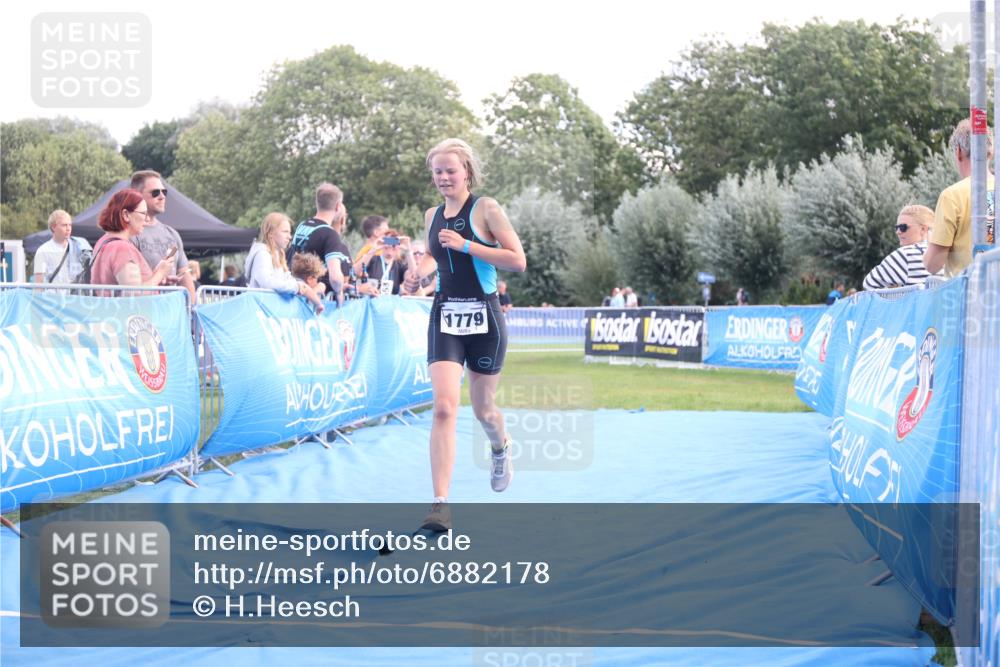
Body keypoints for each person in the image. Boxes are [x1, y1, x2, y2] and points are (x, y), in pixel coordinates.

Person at [403, 138, 526, 530]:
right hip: (445, 314)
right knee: (443, 407)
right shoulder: (431, 215)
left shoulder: (486, 208)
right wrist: (416, 273)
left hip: (485, 317)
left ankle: (500, 447)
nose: (443, 177)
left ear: (467, 171)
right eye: (437, 171)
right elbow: (435, 258)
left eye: (450, 170)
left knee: (484, 410)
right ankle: (440, 505)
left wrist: (468, 245)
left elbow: (517, 261)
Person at [925, 119, 996, 277]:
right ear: (990, 152)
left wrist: (930, 241)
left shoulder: (952, 196)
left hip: (970, 294)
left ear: (958, 151)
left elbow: (933, 264)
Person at [287, 183, 369, 305]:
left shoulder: (302, 225)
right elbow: (335, 278)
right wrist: (339, 291)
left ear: (317, 203)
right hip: (314, 301)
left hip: (295, 292)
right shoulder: (330, 234)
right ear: (337, 206)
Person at [129, 170, 196, 300]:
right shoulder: (130, 233)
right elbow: (129, 284)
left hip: (171, 312)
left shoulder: (172, 235)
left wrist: (192, 310)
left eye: (164, 192)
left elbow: (184, 274)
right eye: (155, 192)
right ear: (137, 195)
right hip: (142, 312)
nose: (162, 196)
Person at [90, 189, 174, 288]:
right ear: (125, 215)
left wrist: (156, 276)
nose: (147, 219)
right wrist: (160, 273)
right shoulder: (122, 248)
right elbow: (134, 295)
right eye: (143, 213)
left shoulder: (104, 241)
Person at [245, 213, 324, 313]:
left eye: (290, 232)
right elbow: (266, 282)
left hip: (267, 311)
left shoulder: (277, 255)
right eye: (285, 232)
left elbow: (288, 281)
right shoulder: (262, 254)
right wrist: (296, 287)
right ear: (271, 233)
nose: (289, 237)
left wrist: (306, 288)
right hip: (259, 312)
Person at [863, 205, 937, 290]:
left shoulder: (906, 255)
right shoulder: (946, 254)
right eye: (896, 228)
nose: (898, 232)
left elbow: (869, 284)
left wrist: (895, 290)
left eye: (903, 227)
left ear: (923, 229)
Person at [31, 209, 92, 283]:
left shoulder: (80, 246)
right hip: (52, 294)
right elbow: (39, 285)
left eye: (70, 225)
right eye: (64, 225)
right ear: (53, 227)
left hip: (75, 294)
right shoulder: (42, 251)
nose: (68, 229)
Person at [361, 229, 412, 296]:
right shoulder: (373, 259)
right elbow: (356, 271)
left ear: (398, 245)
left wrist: (409, 252)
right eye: (387, 241)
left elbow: (413, 277)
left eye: (394, 243)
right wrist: (373, 250)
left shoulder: (399, 265)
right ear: (382, 242)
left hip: (392, 304)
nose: (390, 246)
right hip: (372, 301)